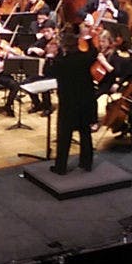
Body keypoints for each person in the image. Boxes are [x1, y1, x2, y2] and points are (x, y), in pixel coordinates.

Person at [50, 33, 96, 174]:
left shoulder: (61, 62)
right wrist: (89, 39)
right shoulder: (85, 58)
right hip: (85, 101)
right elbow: (94, 52)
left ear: (64, 47)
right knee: (85, 132)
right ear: (77, 45)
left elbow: (49, 72)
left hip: (68, 103)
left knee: (65, 135)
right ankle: (86, 163)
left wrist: (53, 54)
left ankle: (61, 167)